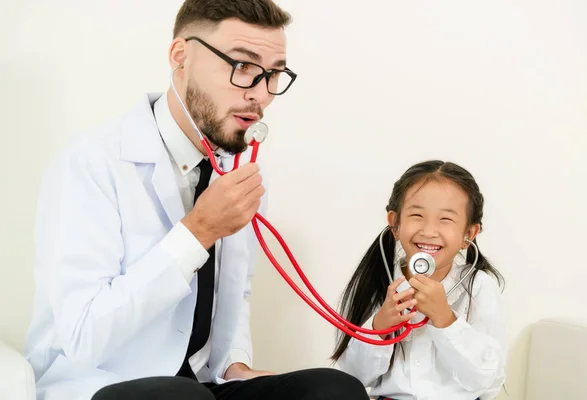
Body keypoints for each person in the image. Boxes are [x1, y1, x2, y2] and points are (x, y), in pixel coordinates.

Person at [23, 1, 369, 399]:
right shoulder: (93, 162)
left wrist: (234, 363)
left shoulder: (239, 173)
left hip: (200, 387)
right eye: (242, 66)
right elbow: (83, 336)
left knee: (333, 390)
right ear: (180, 57)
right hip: (101, 384)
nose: (261, 95)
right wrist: (199, 230)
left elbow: (235, 291)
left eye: (273, 74)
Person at [331, 160, 507, 400]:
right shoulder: (381, 279)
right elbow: (352, 378)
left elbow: (487, 380)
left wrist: (445, 319)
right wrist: (380, 327)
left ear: (468, 234)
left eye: (446, 219)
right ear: (394, 223)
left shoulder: (478, 286)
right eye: (416, 215)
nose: (428, 230)